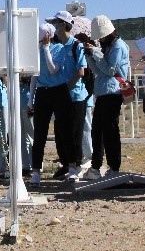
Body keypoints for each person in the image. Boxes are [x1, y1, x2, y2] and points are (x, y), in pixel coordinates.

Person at [82, 15, 130, 180]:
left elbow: (110, 70)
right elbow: (98, 71)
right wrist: (89, 56)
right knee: (97, 132)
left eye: (101, 37)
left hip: (113, 93)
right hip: (102, 93)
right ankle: (96, 166)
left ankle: (114, 167)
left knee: (110, 132)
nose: (99, 40)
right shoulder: (107, 48)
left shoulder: (118, 47)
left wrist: (95, 52)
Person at [29, 22, 71, 187]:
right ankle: (36, 171)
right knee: (39, 134)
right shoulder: (36, 52)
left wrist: (46, 50)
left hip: (58, 91)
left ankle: (72, 167)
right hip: (43, 92)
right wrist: (30, 99)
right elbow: (34, 75)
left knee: (63, 130)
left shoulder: (59, 49)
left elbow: (53, 69)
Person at [48, 10, 87, 182]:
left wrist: (66, 89)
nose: (54, 27)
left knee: (74, 133)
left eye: (56, 23)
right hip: (61, 96)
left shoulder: (76, 45)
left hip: (75, 96)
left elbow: (81, 71)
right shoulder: (58, 47)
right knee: (61, 133)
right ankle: (67, 164)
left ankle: (76, 166)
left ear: (63, 24)